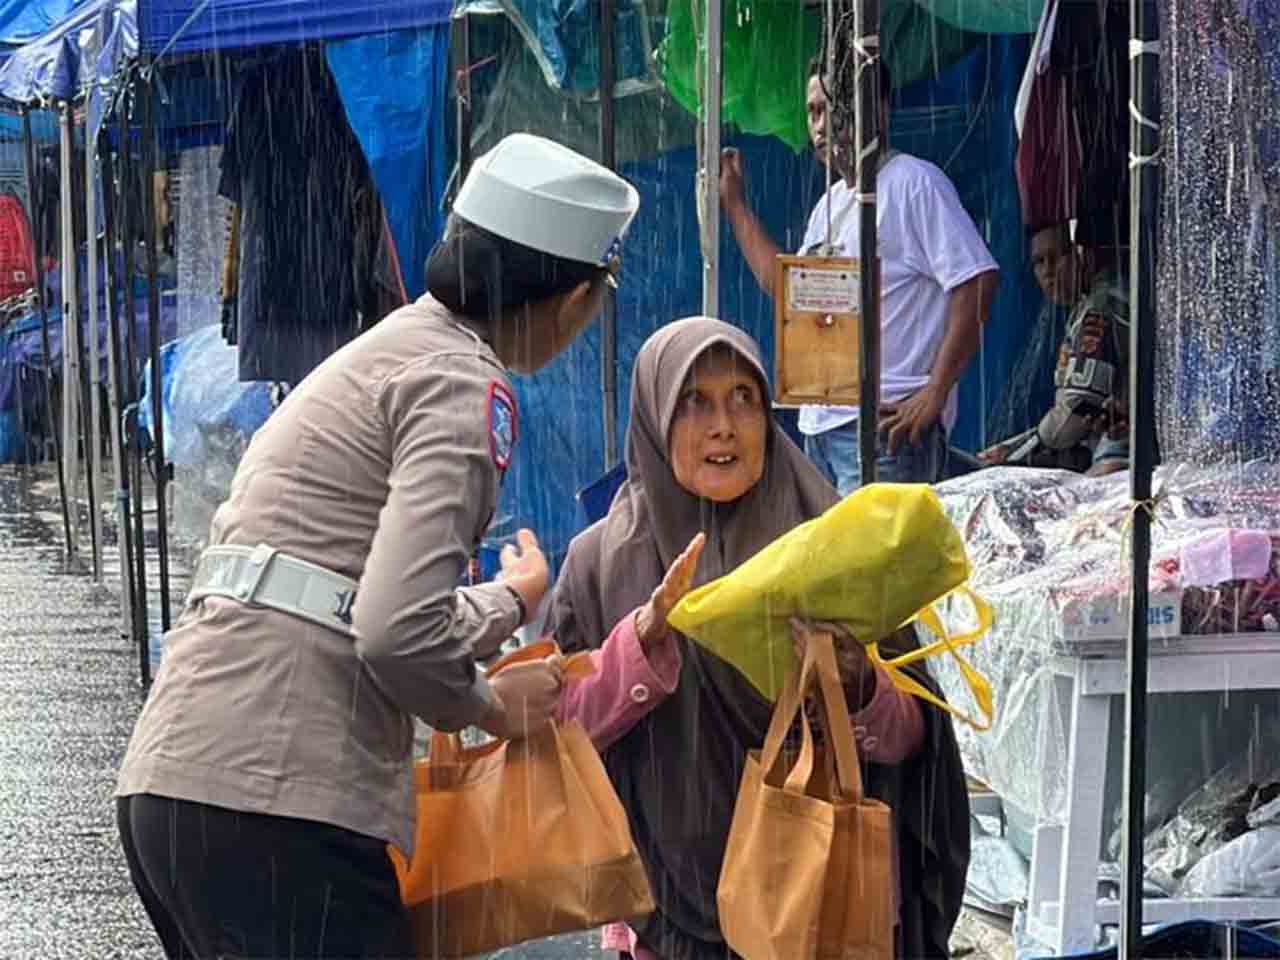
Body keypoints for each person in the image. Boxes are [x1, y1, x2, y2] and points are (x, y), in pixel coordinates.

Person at [114, 132, 639, 960]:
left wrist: (510, 599)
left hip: (180, 785)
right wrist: (491, 705)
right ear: (577, 298)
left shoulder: (390, 351)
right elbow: (394, 630)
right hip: (285, 801)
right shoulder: (462, 384)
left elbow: (344, 595)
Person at [549, 317, 971, 960]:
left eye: (743, 398)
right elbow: (558, 738)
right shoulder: (600, 565)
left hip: (819, 905)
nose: (724, 426)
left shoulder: (836, 542)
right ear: (655, 418)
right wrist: (642, 641)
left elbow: (917, 743)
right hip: (665, 912)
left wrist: (858, 686)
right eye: (695, 401)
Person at [720, 59, 1000, 494]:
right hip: (822, 429)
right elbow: (790, 294)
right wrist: (735, 207)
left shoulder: (913, 183)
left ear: (877, 109)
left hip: (883, 428)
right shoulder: (830, 203)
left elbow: (977, 280)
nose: (820, 125)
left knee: (875, 543)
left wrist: (935, 391)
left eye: (832, 108)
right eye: (812, 112)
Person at [978, 220, 1130, 476]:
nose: (1048, 272)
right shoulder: (1089, 303)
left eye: (1058, 257)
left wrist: (1018, 451)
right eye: (1039, 262)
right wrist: (1016, 447)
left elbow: (1075, 411)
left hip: (1126, 450)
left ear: (1083, 254)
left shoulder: (1103, 305)